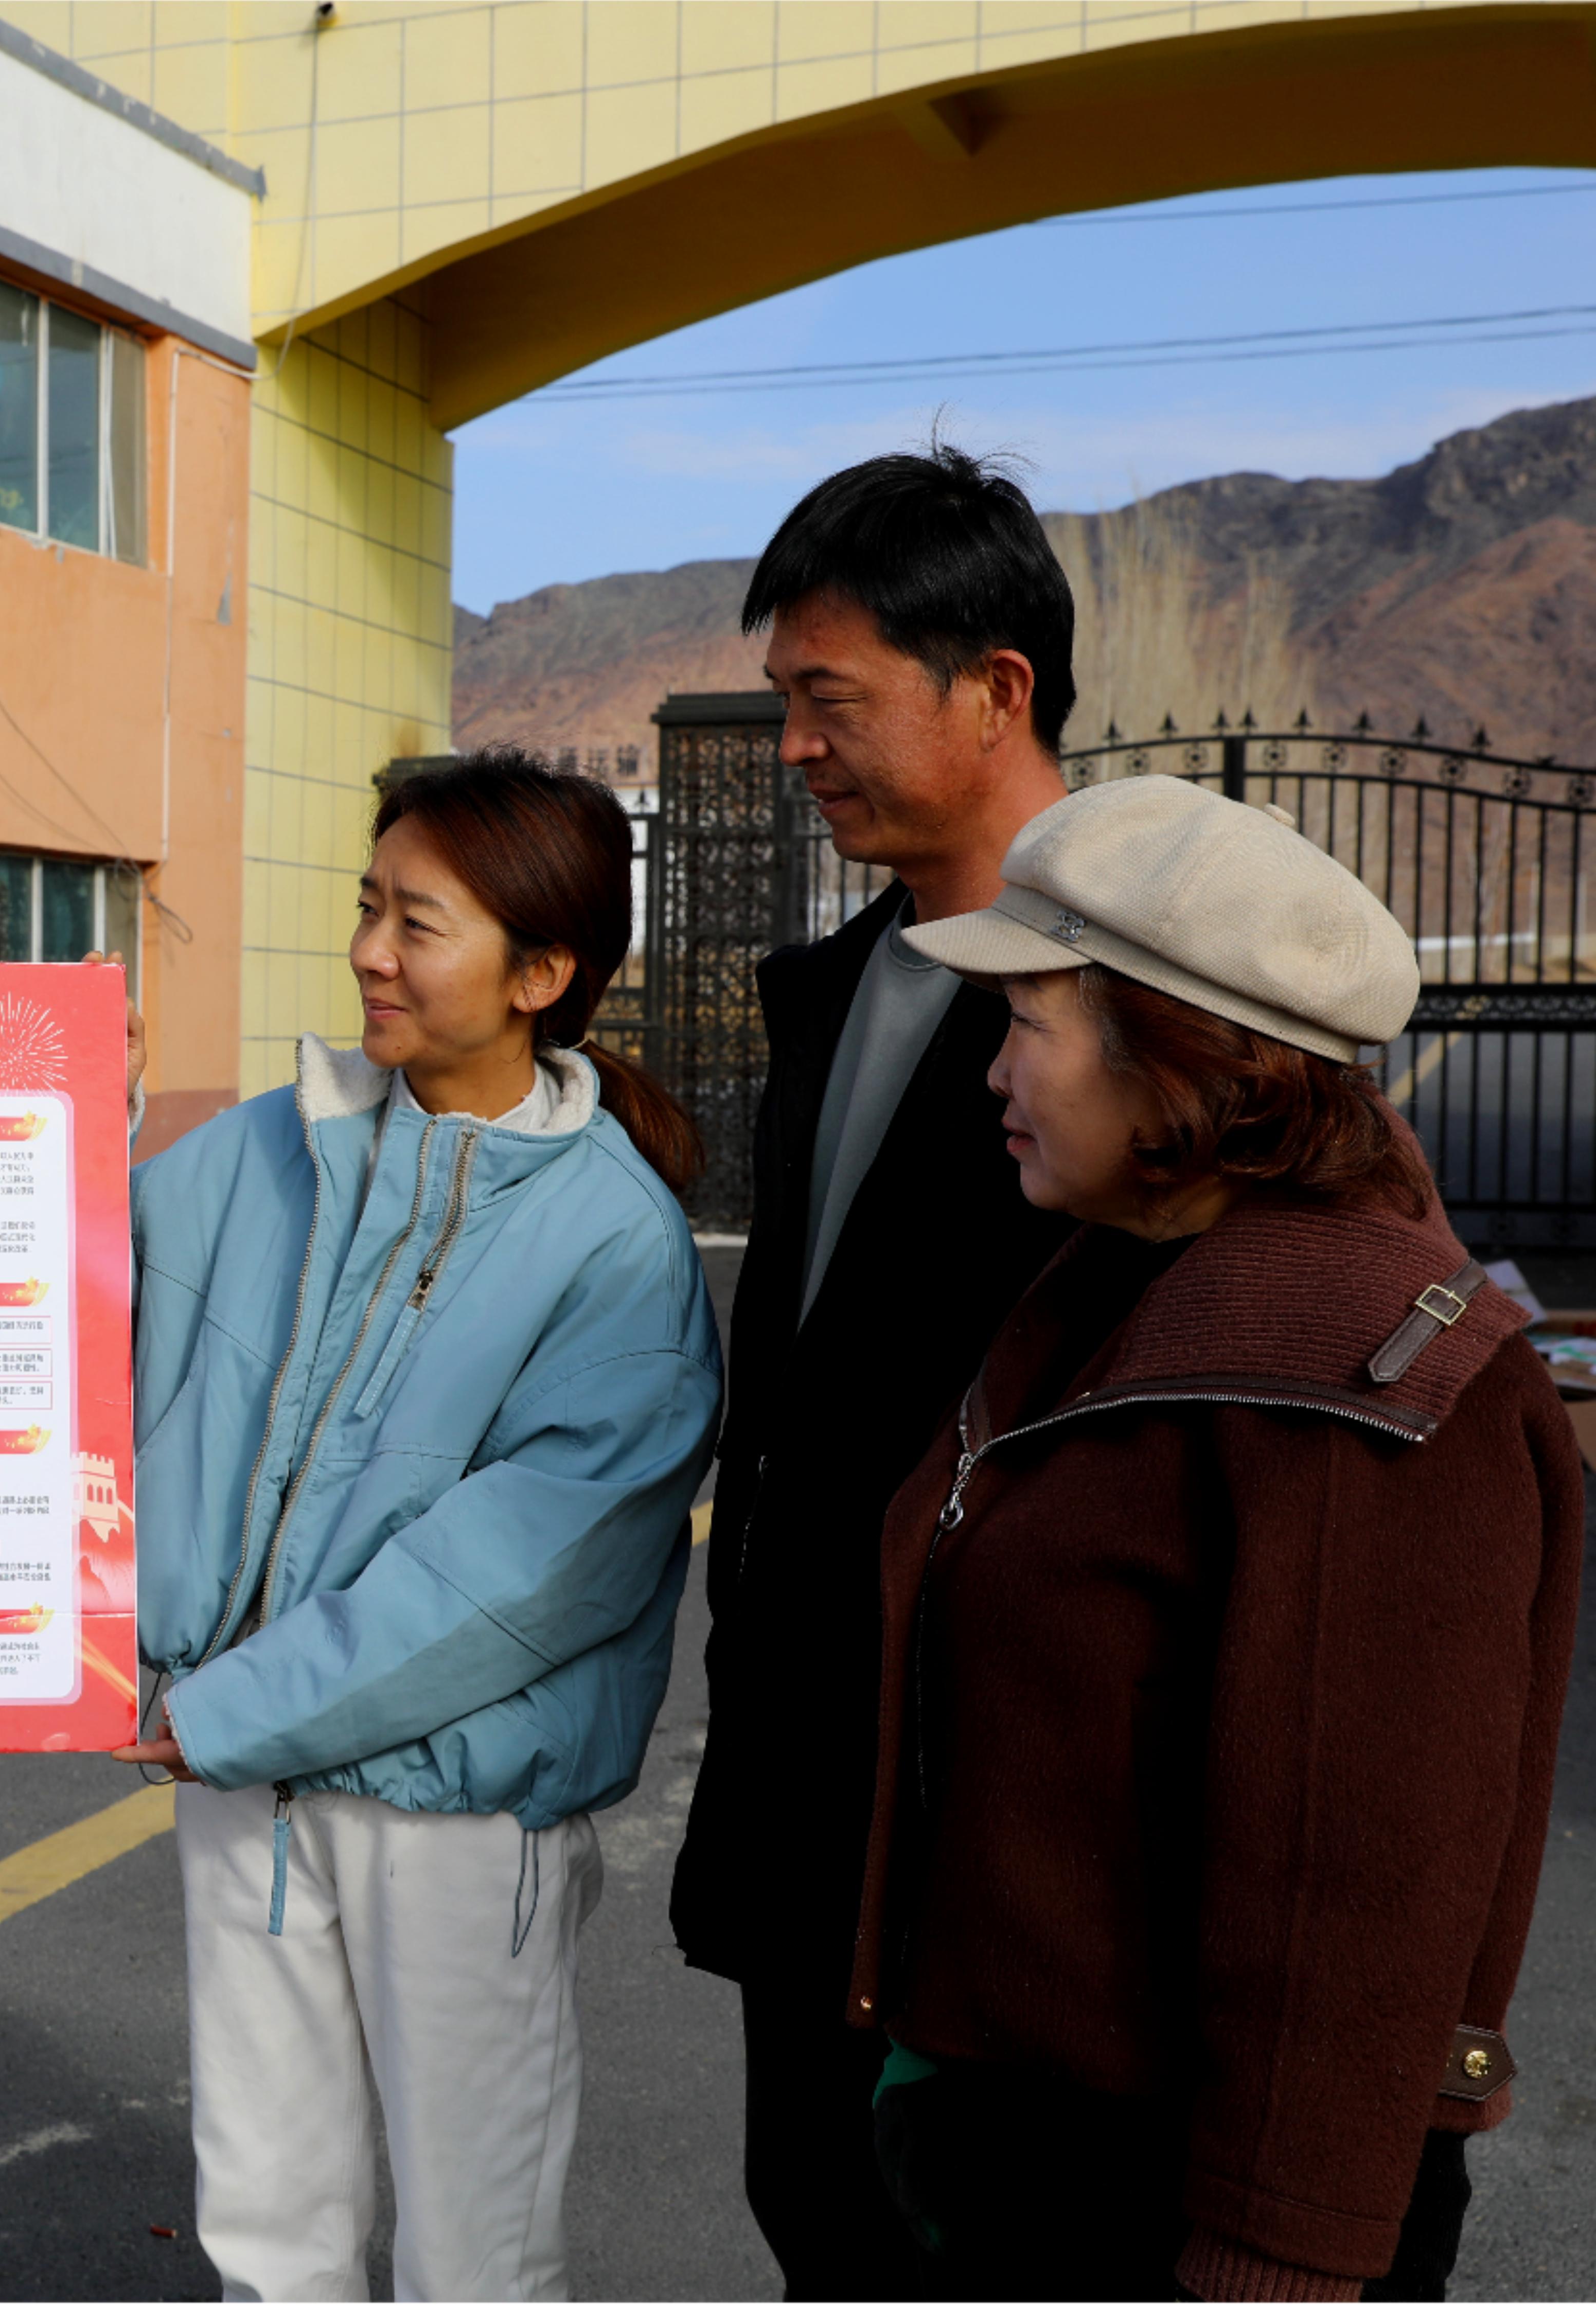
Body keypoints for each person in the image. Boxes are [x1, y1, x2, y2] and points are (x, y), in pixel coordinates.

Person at [844, 772, 1578, 2301]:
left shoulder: (1361, 1388)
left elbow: (1358, 1893)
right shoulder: (1124, 1278)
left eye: (1027, 1023)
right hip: (1039, 2158)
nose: (994, 1072)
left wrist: (1269, 2265)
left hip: (1183, 2214)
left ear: (1176, 1057)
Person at [118, 751, 722, 2300]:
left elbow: (515, 1577)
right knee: (269, 2229)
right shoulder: (258, 1153)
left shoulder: (614, 1241)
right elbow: (52, 1290)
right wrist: (45, 1106)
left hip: (444, 1817)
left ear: (541, 973)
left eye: (418, 922)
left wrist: (233, 1707)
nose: (369, 953)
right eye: (367, 906)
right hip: (242, 1786)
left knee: (474, 2256)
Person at [664, 445, 1083, 2296]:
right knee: (817, 2212)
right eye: (782, 702)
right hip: (811, 1765)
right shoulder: (840, 987)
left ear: (995, 691)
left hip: (1012, 1803)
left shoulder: (1147, 1009)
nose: (794, 750)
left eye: (829, 701)